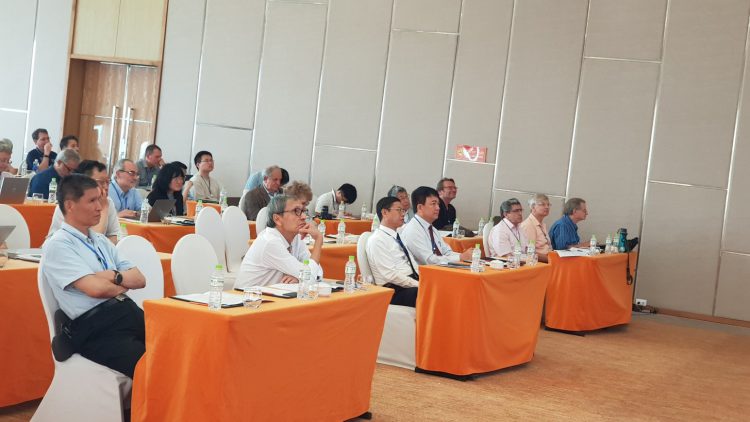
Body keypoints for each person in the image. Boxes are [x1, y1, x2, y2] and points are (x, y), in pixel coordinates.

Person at [41, 174, 146, 378]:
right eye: (92, 201)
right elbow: (96, 290)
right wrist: (122, 283)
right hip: (97, 328)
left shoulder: (100, 240)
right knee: (151, 367)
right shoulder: (59, 244)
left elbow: (140, 279)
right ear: (70, 205)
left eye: (99, 200)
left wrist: (113, 276)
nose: (99, 207)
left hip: (126, 313)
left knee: (176, 350)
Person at [235, 195, 323, 289]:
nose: (304, 217)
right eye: (296, 211)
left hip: (270, 294)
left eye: (304, 211)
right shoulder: (270, 242)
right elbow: (310, 277)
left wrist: (299, 278)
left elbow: (318, 273)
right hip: (246, 296)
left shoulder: (296, 237)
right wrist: (318, 240)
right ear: (277, 219)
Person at [48, 160, 119, 244]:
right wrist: (104, 209)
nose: (106, 187)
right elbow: (92, 243)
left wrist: (104, 248)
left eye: (107, 182)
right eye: (101, 182)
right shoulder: (69, 204)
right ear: (84, 182)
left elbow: (114, 236)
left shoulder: (108, 201)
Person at [366, 196, 419, 307]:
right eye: (399, 210)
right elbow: (390, 275)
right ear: (385, 212)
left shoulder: (397, 235)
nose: (403, 214)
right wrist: (419, 284)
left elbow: (412, 263)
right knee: (429, 294)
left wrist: (425, 279)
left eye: (403, 210)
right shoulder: (377, 240)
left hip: (410, 282)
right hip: (394, 290)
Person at [400, 186, 473, 265]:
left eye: (438, 204)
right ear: (420, 207)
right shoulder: (412, 230)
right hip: (424, 272)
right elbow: (429, 260)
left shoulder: (431, 229)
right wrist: (460, 257)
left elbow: (446, 252)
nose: (438, 208)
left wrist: (465, 256)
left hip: (439, 269)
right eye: (433, 204)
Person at [520, 194, 552, 263]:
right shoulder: (528, 225)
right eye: (542, 204)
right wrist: (552, 259)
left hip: (548, 260)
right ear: (533, 207)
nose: (547, 207)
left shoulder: (542, 224)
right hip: (538, 263)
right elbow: (529, 252)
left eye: (548, 204)